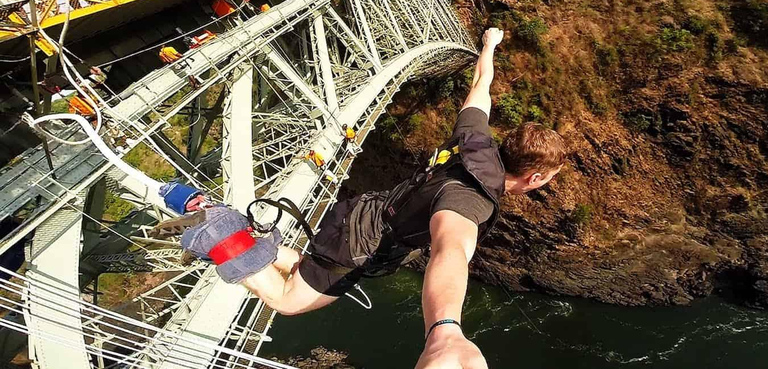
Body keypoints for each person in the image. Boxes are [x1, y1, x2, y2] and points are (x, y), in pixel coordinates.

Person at [152, 28, 566, 368]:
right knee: (288, 301)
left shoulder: (476, 139)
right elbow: (451, 252)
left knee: (306, 267)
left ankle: (230, 225)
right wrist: (445, 329)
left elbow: (481, 87)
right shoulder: (473, 198)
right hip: (361, 244)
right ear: (536, 177)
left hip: (359, 213)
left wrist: (490, 44)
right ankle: (220, 231)